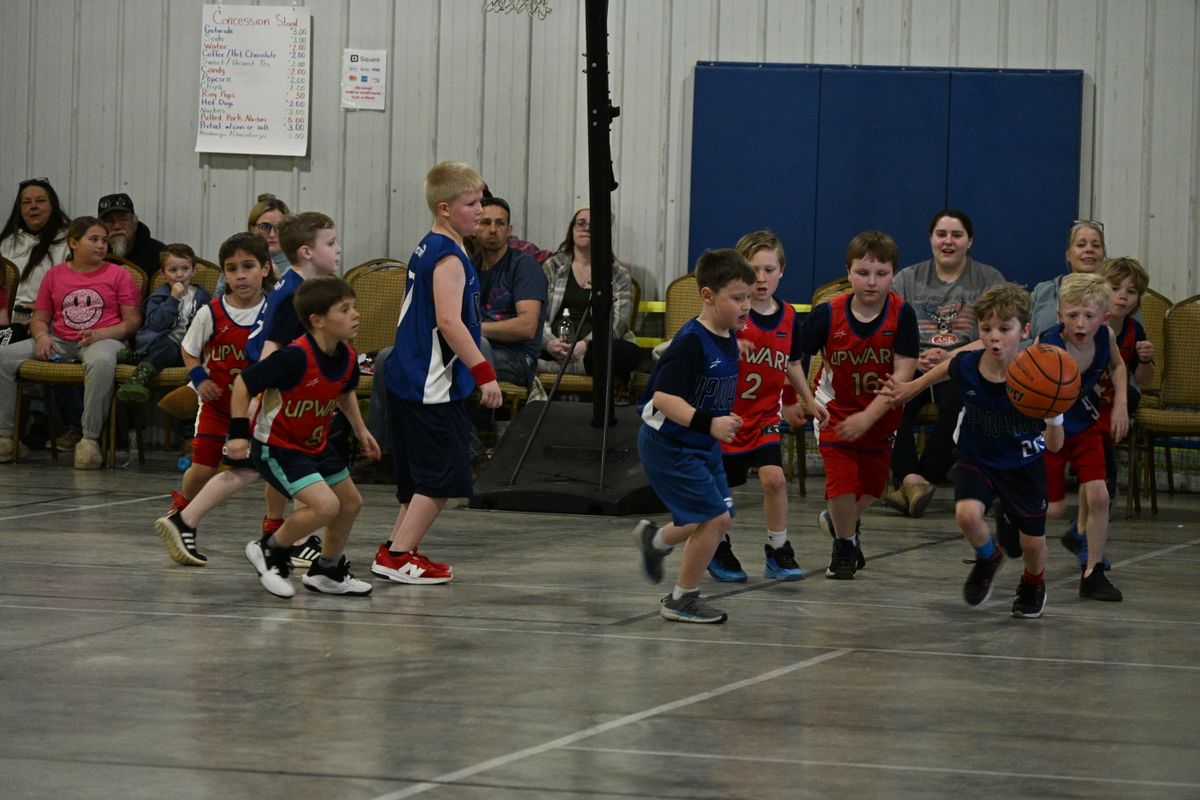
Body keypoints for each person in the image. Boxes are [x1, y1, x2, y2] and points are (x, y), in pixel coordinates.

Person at [883, 284, 1066, 617]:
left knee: (1031, 543)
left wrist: (1055, 417)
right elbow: (946, 368)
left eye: (1004, 329)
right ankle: (988, 557)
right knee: (967, 515)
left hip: (1022, 466)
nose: (994, 337)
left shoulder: (1040, 378)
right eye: (986, 328)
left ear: (1024, 331)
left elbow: (1055, 446)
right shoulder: (968, 364)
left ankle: (1033, 581)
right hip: (977, 456)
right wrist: (912, 387)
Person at [370, 161, 501, 585]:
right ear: (445, 208)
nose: (480, 210)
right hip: (431, 384)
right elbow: (449, 322)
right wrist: (484, 373)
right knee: (442, 479)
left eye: (481, 201)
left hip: (409, 376)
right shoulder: (448, 257)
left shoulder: (429, 246)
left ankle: (395, 548)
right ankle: (399, 556)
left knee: (420, 478)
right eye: (471, 203)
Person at [234, 276, 378, 597]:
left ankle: (327, 571)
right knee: (326, 506)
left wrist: (361, 429)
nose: (355, 314)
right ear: (317, 321)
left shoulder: (347, 355)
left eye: (354, 307)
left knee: (350, 503)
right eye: (344, 309)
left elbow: (344, 391)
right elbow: (243, 384)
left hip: (315, 443)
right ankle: (269, 550)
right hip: (279, 447)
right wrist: (238, 433)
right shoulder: (293, 357)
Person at [632, 249, 755, 623]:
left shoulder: (727, 333)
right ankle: (681, 599)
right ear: (708, 295)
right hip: (670, 445)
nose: (746, 306)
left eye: (749, 297)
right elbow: (663, 398)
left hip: (701, 443)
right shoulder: (690, 342)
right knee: (712, 519)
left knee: (720, 518)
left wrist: (714, 423)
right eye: (737, 298)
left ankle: (654, 541)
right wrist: (711, 424)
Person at [705, 230, 827, 584]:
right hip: (726, 418)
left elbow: (792, 363)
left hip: (763, 417)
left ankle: (778, 547)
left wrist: (805, 399)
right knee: (722, 491)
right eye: (753, 269)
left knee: (774, 480)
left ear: (782, 271)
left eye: (769, 269)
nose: (761, 278)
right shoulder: (730, 315)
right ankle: (717, 545)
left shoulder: (788, 316)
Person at [803, 231, 919, 579]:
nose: (871, 281)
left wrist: (869, 416)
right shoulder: (827, 314)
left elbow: (903, 373)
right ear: (848, 273)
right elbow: (795, 356)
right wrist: (800, 398)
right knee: (842, 482)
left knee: (871, 489)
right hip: (834, 409)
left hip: (882, 414)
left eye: (881, 273)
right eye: (863, 272)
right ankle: (843, 547)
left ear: (893, 275)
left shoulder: (903, 314)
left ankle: (840, 521)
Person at [154, 233, 274, 566]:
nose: (240, 275)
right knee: (202, 467)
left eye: (248, 266)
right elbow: (189, 351)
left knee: (269, 471)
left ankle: (276, 530)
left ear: (265, 269)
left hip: (255, 409)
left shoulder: (274, 313)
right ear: (224, 274)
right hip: (217, 405)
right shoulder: (212, 312)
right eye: (232, 268)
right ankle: (183, 509)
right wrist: (200, 379)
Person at [884, 209, 1005, 517]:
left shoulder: (989, 279)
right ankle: (912, 480)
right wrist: (913, 355)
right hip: (914, 363)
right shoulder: (907, 279)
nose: (948, 241)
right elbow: (888, 328)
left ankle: (921, 480)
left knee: (964, 406)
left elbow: (998, 334)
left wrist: (952, 355)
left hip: (962, 367)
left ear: (969, 241)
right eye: (941, 234)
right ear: (931, 239)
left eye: (956, 235)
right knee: (890, 401)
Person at [243, 211, 343, 567]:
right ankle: (293, 541)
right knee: (295, 468)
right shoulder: (295, 295)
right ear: (306, 252)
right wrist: (254, 401)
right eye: (331, 243)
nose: (338, 249)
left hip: (287, 394)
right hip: (274, 395)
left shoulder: (299, 286)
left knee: (287, 468)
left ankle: (281, 530)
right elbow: (271, 352)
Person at [0, 217, 142, 468]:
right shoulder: (55, 275)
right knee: (4, 356)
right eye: (94, 239)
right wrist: (42, 337)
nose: (101, 245)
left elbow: (132, 322)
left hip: (105, 339)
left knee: (101, 361)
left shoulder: (119, 274)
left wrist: (101, 334)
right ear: (74, 243)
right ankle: (6, 438)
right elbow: (40, 319)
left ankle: (89, 440)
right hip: (60, 339)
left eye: (104, 241)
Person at [1037, 272, 1128, 602]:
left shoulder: (1106, 336)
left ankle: (1093, 573)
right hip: (1051, 425)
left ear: (1104, 317)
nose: (1080, 323)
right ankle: (1009, 508)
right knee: (1053, 509)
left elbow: (1118, 366)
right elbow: (1023, 384)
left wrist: (1120, 403)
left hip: (1085, 424)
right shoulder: (1048, 345)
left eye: (1089, 316)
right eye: (1072, 315)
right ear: (1059, 314)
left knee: (1100, 496)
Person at [537, 207, 642, 388]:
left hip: (594, 351)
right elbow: (537, 314)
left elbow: (619, 322)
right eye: (581, 223)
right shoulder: (552, 267)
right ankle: (566, 364)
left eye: (593, 226)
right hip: (554, 347)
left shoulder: (617, 274)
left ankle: (551, 368)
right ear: (572, 230)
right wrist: (549, 343)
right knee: (524, 345)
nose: (586, 228)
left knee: (630, 353)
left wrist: (586, 345)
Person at [116, 244, 212, 403]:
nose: (179, 274)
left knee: (177, 351)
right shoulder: (159, 297)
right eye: (173, 270)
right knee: (168, 348)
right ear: (163, 273)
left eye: (185, 269)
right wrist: (173, 299)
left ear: (193, 271)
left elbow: (208, 320)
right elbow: (156, 325)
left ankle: (139, 358)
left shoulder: (201, 296)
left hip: (187, 349)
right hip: (159, 342)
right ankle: (137, 380)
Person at [474, 196, 547, 389]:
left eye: (500, 223)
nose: (493, 229)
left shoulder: (524, 266)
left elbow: (527, 327)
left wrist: (475, 329)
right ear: (474, 228)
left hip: (517, 358)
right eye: (485, 222)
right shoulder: (470, 267)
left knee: (467, 354)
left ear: (509, 230)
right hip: (477, 348)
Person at [1, 178, 71, 338]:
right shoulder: (5, 244)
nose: (33, 206)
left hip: (49, 325)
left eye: (40, 201)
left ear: (52, 206)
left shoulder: (69, 241)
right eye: (26, 202)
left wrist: (45, 312)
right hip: (6, 323)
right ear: (19, 209)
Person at [1029, 220, 1105, 338]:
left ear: (1103, 255)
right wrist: (1037, 345)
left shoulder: (1115, 293)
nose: (1089, 250)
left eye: (1096, 246)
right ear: (1068, 255)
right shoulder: (1042, 291)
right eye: (1081, 245)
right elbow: (1018, 338)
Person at [97, 193, 165, 280]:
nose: (117, 226)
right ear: (100, 226)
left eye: (123, 219)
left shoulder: (159, 254)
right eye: (110, 221)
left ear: (134, 223)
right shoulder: (95, 253)